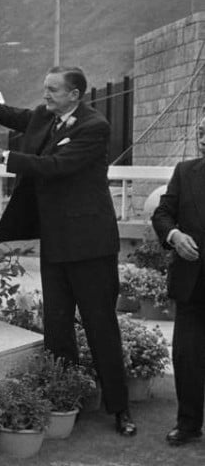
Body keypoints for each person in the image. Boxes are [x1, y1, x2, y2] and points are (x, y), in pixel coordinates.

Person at [0, 66, 135, 436]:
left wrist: (2, 155)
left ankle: (119, 409)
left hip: (91, 246)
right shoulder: (44, 117)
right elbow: (5, 114)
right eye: (45, 89)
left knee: (100, 325)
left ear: (75, 94)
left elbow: (57, 167)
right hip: (56, 242)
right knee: (57, 326)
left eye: (53, 90)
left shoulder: (94, 127)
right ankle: (64, 399)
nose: (46, 95)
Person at [150, 118, 205, 446]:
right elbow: (162, 214)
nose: (203, 139)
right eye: (201, 132)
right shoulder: (184, 172)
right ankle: (188, 425)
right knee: (186, 357)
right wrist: (174, 235)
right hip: (192, 284)